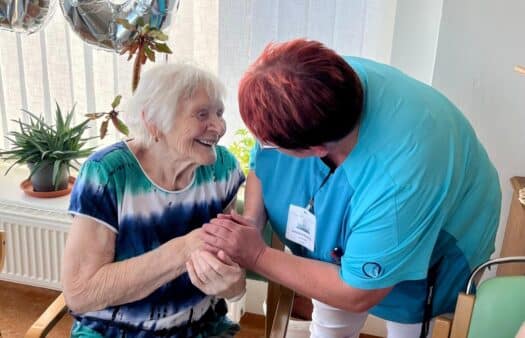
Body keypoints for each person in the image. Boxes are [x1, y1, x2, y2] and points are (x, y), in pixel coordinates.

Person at [201, 39, 501, 338]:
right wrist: (251, 222)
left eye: (271, 143)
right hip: (379, 194)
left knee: (407, 328)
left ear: (315, 150)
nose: (263, 146)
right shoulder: (302, 85)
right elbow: (263, 162)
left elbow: (357, 292)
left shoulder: (400, 181)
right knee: (329, 318)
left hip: (442, 228)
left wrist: (256, 256)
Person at [62, 63, 246, 337]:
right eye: (202, 114)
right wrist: (184, 249)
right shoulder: (108, 174)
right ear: (154, 121)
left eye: (219, 112)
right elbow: (80, 292)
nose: (219, 127)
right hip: (113, 332)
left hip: (200, 329)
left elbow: (235, 282)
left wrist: (231, 285)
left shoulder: (223, 170)